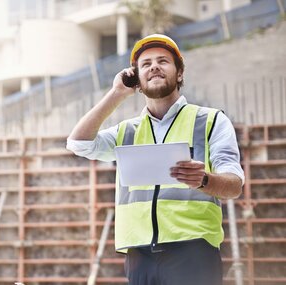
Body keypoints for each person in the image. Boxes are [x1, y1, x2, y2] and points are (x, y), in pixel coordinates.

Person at [67, 34, 244, 285]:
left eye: (163, 61)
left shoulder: (211, 121)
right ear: (136, 78)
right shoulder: (126, 131)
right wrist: (117, 94)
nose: (154, 66)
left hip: (194, 252)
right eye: (145, 63)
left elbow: (234, 185)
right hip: (139, 256)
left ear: (179, 73)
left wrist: (204, 179)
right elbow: (78, 143)